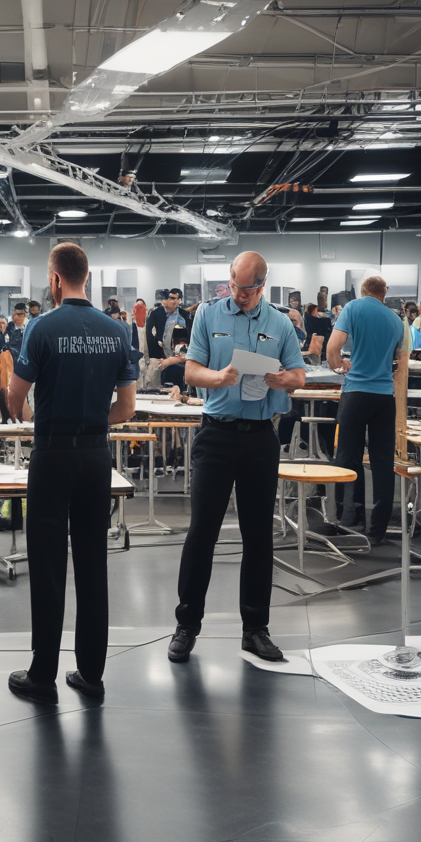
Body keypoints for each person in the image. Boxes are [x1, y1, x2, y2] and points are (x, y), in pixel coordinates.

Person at [5, 243, 137, 703]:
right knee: (91, 562)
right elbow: (127, 407)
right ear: (87, 276)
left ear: (56, 279)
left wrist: (22, 402)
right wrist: (95, 418)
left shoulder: (41, 328)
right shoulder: (118, 331)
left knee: (47, 565)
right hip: (96, 455)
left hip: (53, 454)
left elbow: (15, 400)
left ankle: (43, 674)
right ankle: (91, 672)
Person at [167, 251, 305, 666]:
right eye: (233, 285)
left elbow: (299, 376)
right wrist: (220, 376)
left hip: (261, 438)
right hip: (217, 436)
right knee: (201, 533)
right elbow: (190, 371)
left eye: (247, 289)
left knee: (258, 535)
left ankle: (255, 629)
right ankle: (187, 625)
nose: (239, 295)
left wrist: (283, 379)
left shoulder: (281, 323)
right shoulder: (208, 316)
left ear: (262, 286)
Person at [326, 276, 405, 545]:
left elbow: (332, 349)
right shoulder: (396, 320)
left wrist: (340, 366)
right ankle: (378, 530)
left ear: (362, 292)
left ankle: (348, 520)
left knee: (349, 458)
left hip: (356, 393)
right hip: (384, 397)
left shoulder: (353, 308)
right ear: (385, 292)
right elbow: (397, 361)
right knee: (383, 462)